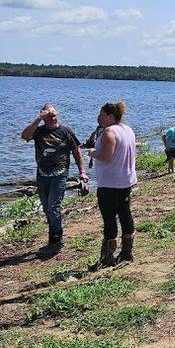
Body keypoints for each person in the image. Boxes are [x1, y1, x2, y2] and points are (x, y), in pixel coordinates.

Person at [20, 104, 88, 257]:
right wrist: (38, 119)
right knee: (46, 208)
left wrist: (82, 172)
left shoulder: (65, 131)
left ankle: (55, 241)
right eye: (48, 115)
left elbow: (77, 152)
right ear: (43, 116)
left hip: (59, 175)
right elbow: (24, 136)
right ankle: (55, 236)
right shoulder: (38, 131)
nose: (52, 117)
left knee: (53, 207)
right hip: (42, 175)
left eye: (54, 114)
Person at [89, 101, 137, 267]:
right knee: (125, 213)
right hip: (126, 179)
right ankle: (126, 252)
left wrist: (92, 152)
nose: (99, 117)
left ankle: (107, 257)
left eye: (101, 114)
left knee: (109, 218)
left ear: (110, 116)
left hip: (110, 183)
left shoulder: (110, 132)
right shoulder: (128, 129)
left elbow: (106, 156)